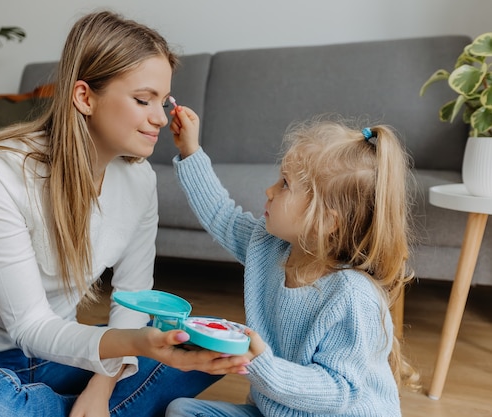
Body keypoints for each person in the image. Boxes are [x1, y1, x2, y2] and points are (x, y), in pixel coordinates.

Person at [0, 11, 250, 417]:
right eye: (143, 100)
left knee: (205, 342)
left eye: (163, 101)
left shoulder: (139, 183)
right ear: (84, 97)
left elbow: (132, 302)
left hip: (63, 357)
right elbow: (29, 328)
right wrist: (136, 347)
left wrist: (101, 388)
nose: (159, 117)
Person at [165, 107, 421, 417]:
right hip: (275, 411)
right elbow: (222, 215)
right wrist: (190, 151)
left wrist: (263, 366)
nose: (269, 190)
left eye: (285, 184)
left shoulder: (353, 297)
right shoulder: (269, 246)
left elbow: (340, 391)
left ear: (327, 221)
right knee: (181, 411)